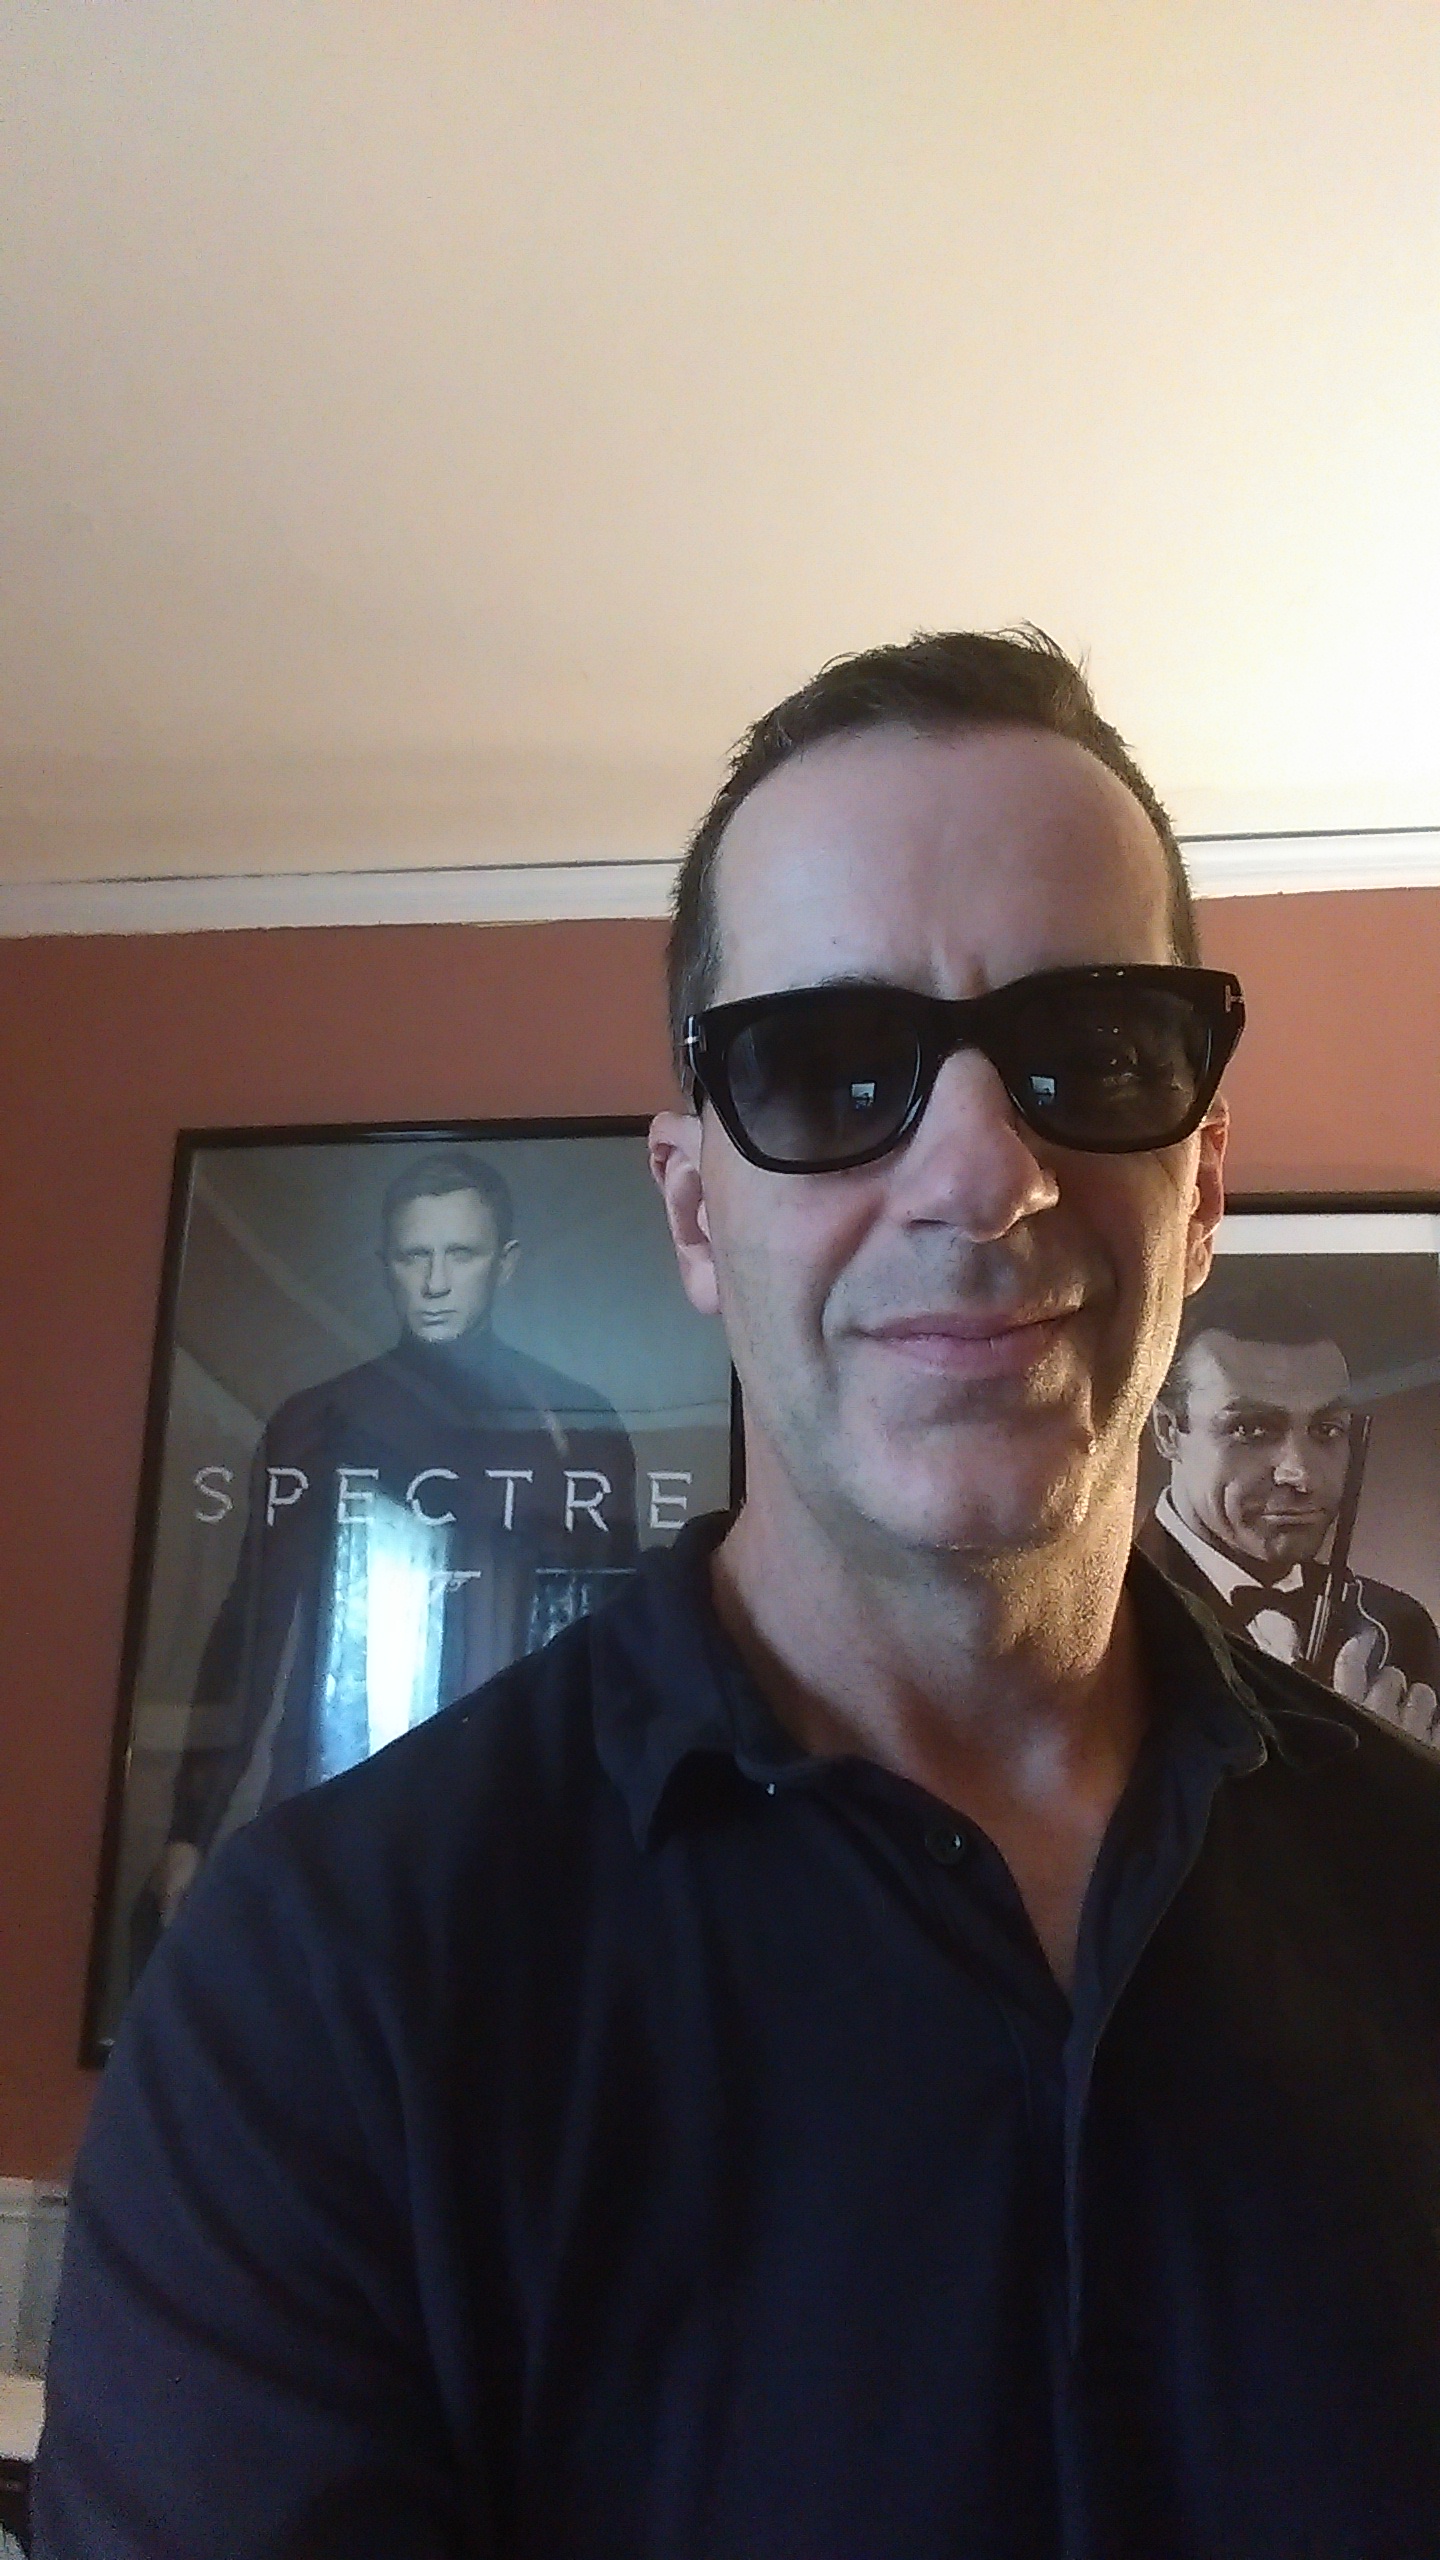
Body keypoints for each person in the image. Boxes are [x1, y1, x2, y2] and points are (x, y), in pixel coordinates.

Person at [36, 632, 1440, 2558]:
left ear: (1200, 1186)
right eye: (831, 1068)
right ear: (695, 1207)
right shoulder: (318, 1996)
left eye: (1096, 1053)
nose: (980, 1174)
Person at [144, 1149, 638, 1937]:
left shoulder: (579, 1427)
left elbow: (615, 1643)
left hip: (518, 1814)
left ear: (505, 1264)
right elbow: (252, 1628)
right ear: (386, 1267)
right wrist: (189, 1830)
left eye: (460, 1254)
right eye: (414, 1257)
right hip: (329, 1799)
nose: (435, 1283)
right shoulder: (315, 1421)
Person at [1137, 1281, 1440, 1737]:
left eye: (1327, 1428)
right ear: (1166, 1431)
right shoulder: (1097, 1619)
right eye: (1250, 1430)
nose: (1300, 1475)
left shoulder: (1400, 1626)